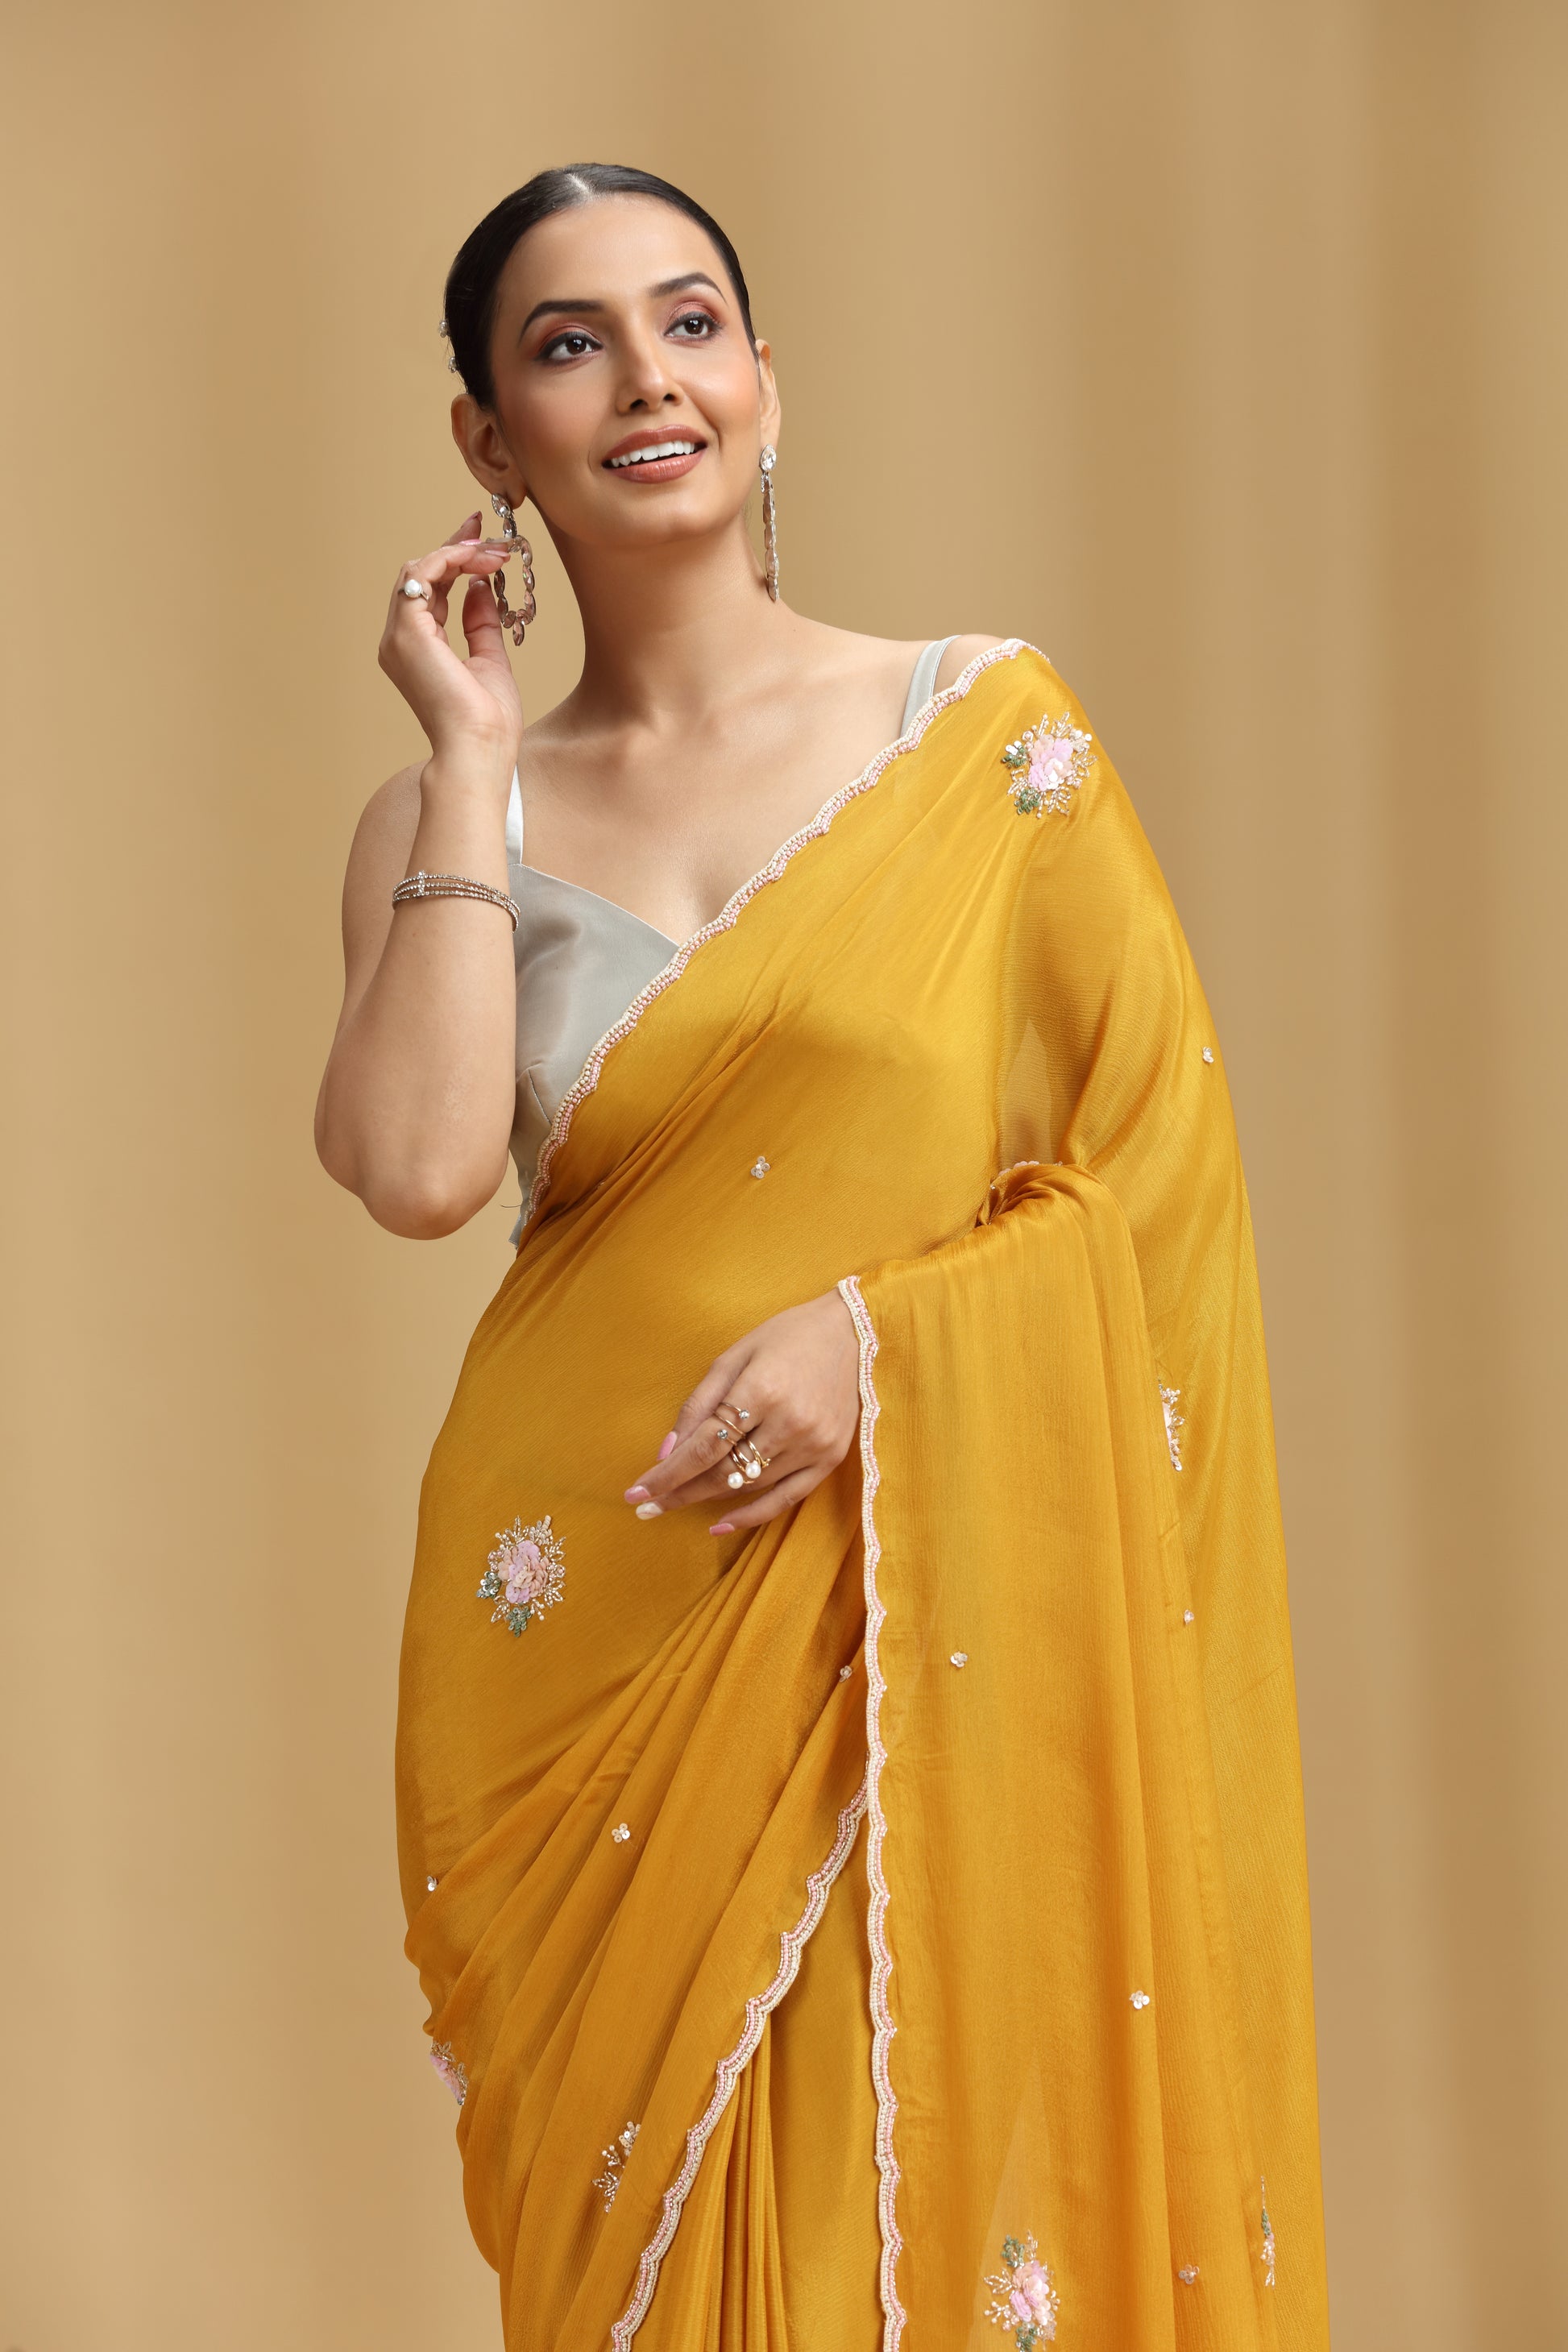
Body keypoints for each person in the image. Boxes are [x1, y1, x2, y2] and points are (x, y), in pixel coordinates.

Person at [315, 164, 1329, 2352]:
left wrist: (888, 1348)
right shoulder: (443, 817)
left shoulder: (984, 744)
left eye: (689, 324)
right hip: (588, 1628)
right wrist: (471, 756)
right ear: (490, 440)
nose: (646, 379)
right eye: (568, 344)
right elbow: (411, 1168)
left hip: (910, 1606)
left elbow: (1147, 1179)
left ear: (766, 382)